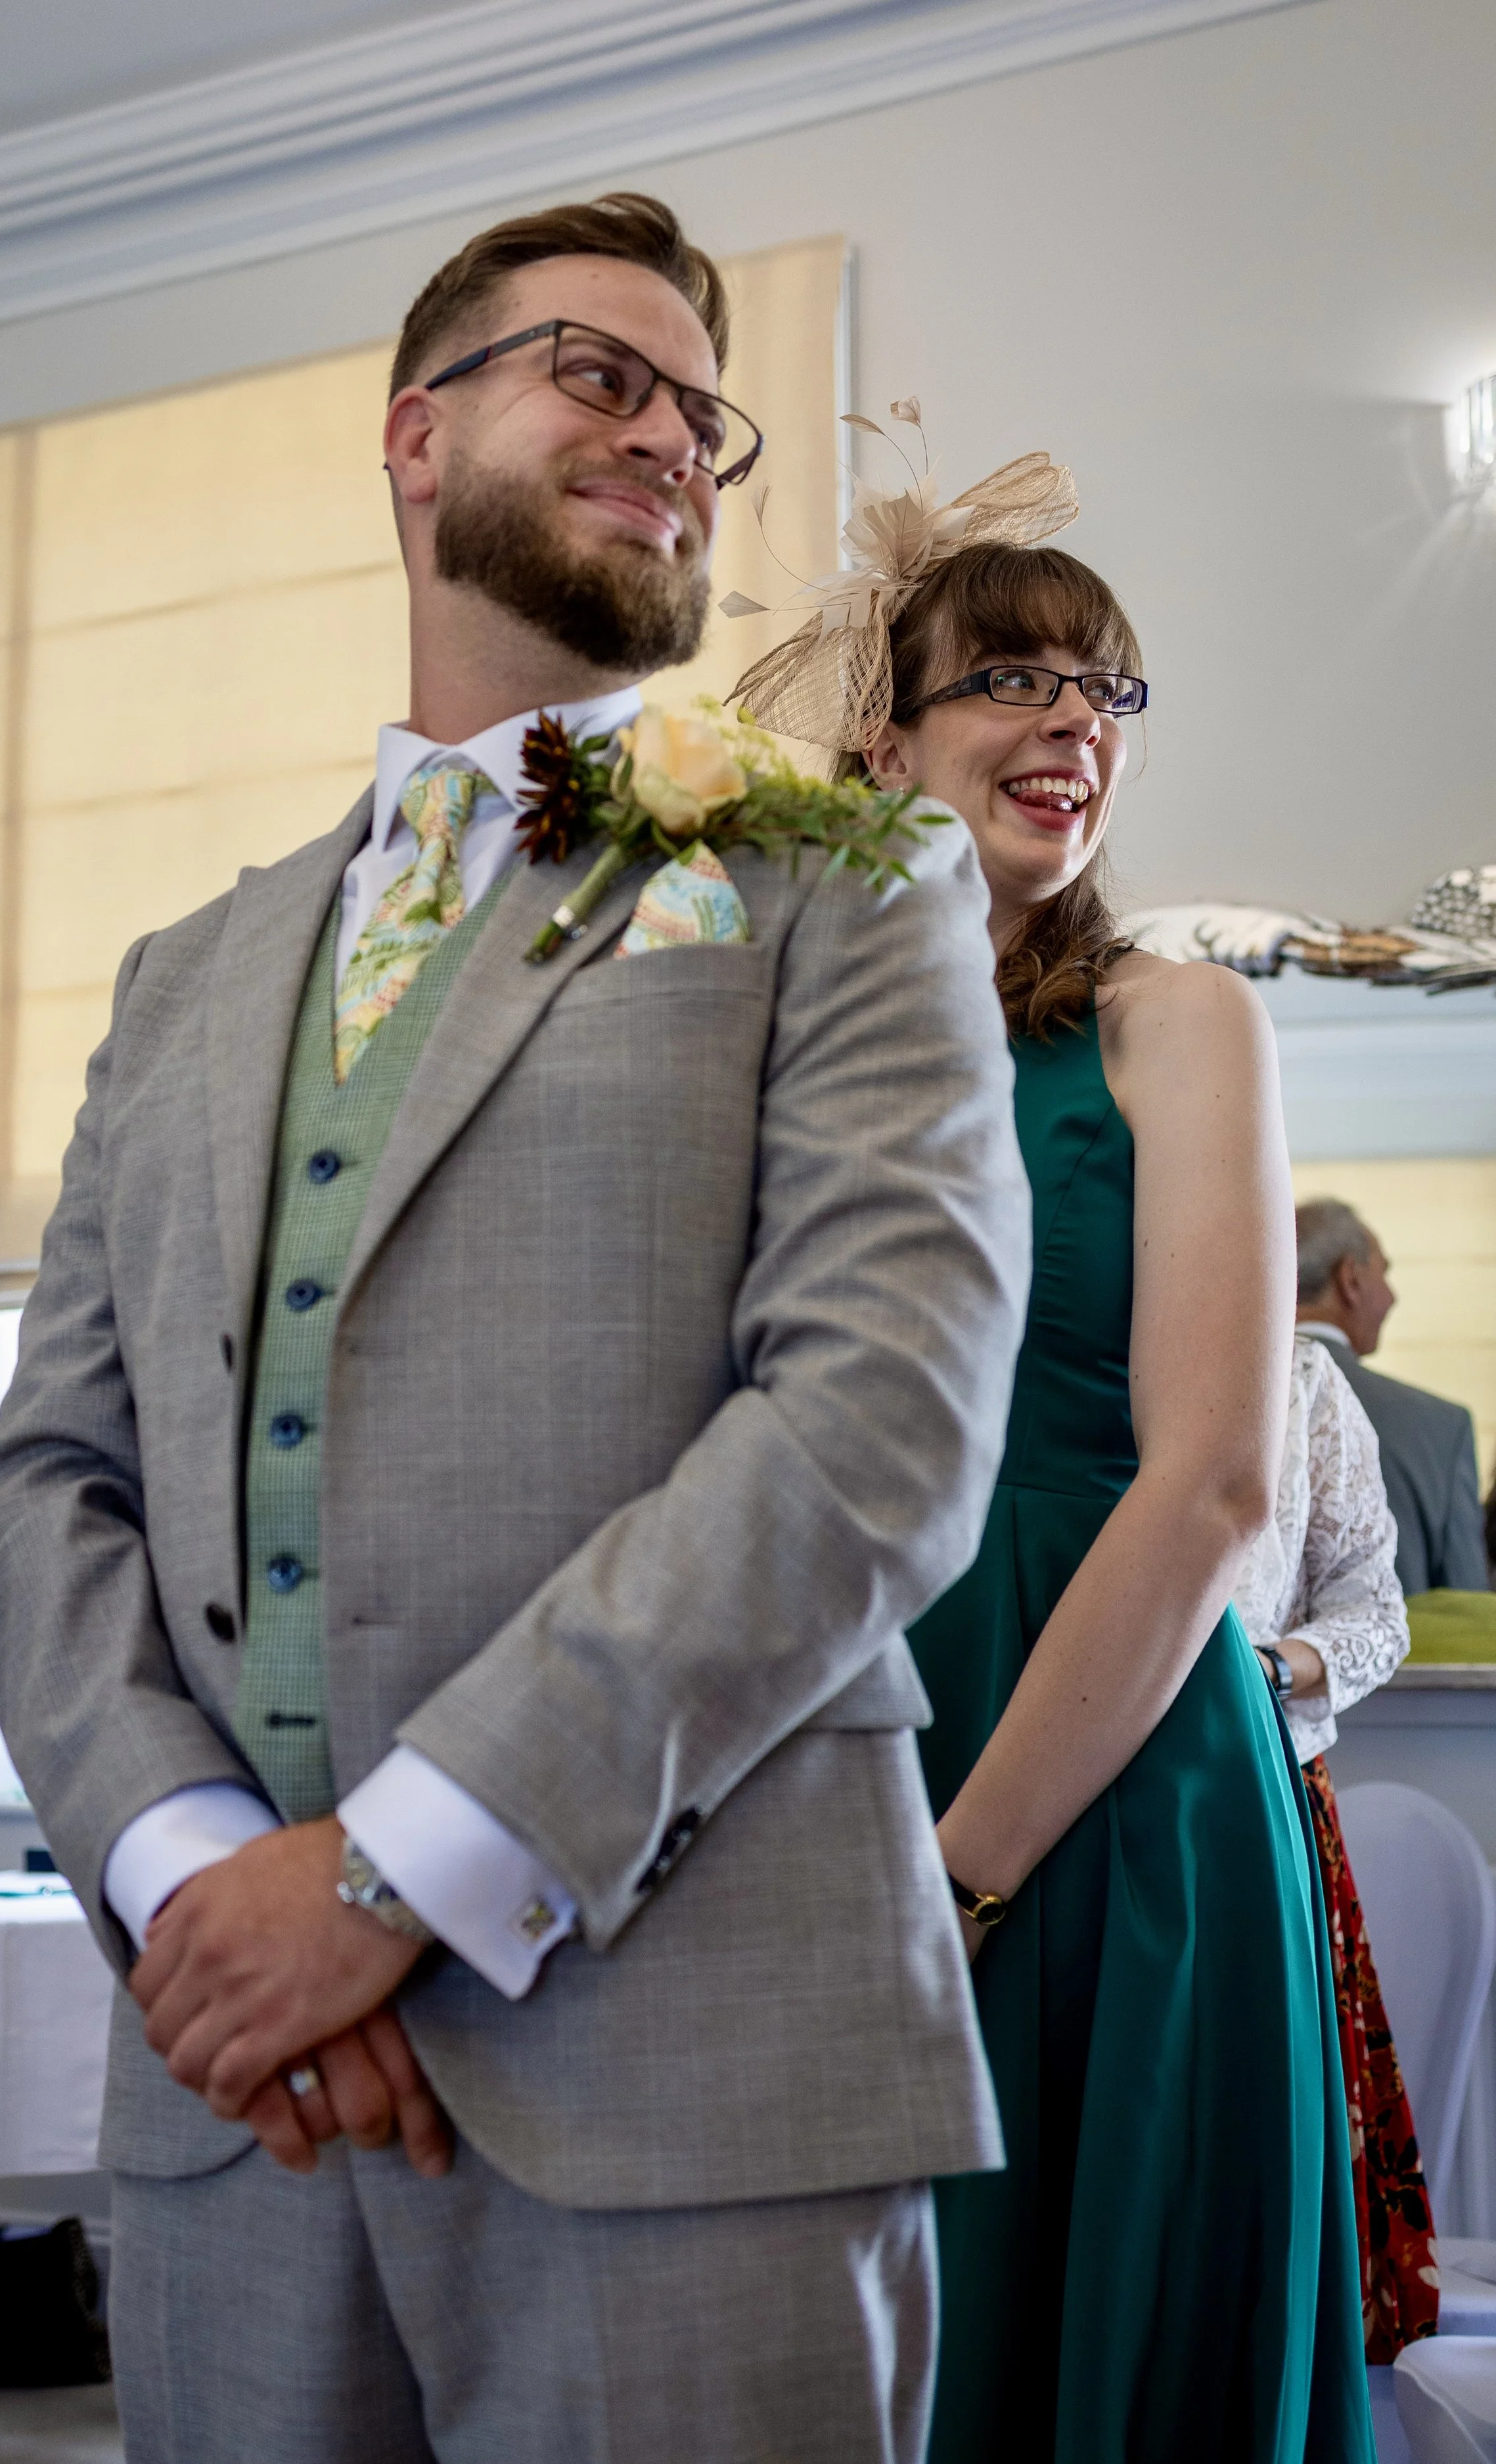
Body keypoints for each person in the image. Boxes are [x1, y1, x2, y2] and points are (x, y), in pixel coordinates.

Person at [0, 195, 1033, 2464]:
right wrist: (192, 1900)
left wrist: (385, 1881)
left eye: (705, 414)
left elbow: (881, 1417)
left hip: (688, 2089)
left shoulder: (844, 878)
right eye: (604, 374)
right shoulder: (179, 979)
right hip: (236, 2113)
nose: (675, 441)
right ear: (412, 431)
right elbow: (51, 1482)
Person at [736, 445, 1375, 2459]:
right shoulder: (774, 1032)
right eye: (1009, 678)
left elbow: (1211, 1482)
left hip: (1105, 1762)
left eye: (1099, 690)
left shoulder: (1167, 1017)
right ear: (883, 740)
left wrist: (963, 1866)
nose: (1066, 724)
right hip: (835, 1726)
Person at [1234, 1331, 1436, 2364]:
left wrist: (1268, 1668)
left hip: (1261, 1781)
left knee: (1266, 2128)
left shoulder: (1300, 1376)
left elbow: (1376, 1606)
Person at [1295, 1196, 1486, 1595]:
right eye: (1384, 1273)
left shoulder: (1201, 1413)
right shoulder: (1440, 1429)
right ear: (1351, 1279)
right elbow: (1468, 1615)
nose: (1393, 1297)